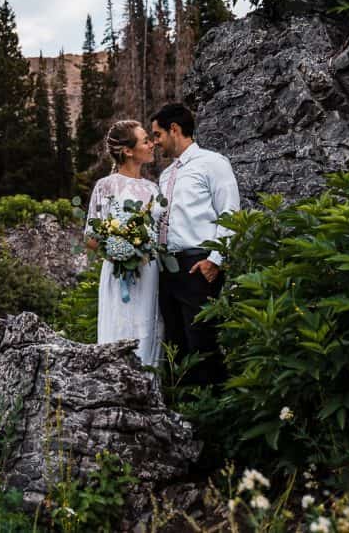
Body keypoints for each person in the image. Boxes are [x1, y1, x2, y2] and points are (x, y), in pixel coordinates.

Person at [150, 103, 240, 385]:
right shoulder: (165, 176)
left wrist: (215, 259)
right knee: (175, 346)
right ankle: (185, 413)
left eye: (157, 135)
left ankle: (215, 413)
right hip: (166, 269)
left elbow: (230, 213)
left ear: (174, 129)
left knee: (203, 344)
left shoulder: (213, 163)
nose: (155, 142)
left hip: (198, 266)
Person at [85, 120, 163, 366]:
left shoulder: (153, 187)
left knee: (148, 326)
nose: (151, 145)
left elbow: (161, 231)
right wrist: (121, 252)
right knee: (120, 324)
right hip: (120, 273)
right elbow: (90, 236)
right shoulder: (106, 186)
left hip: (150, 270)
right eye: (145, 141)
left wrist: (144, 250)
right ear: (128, 151)